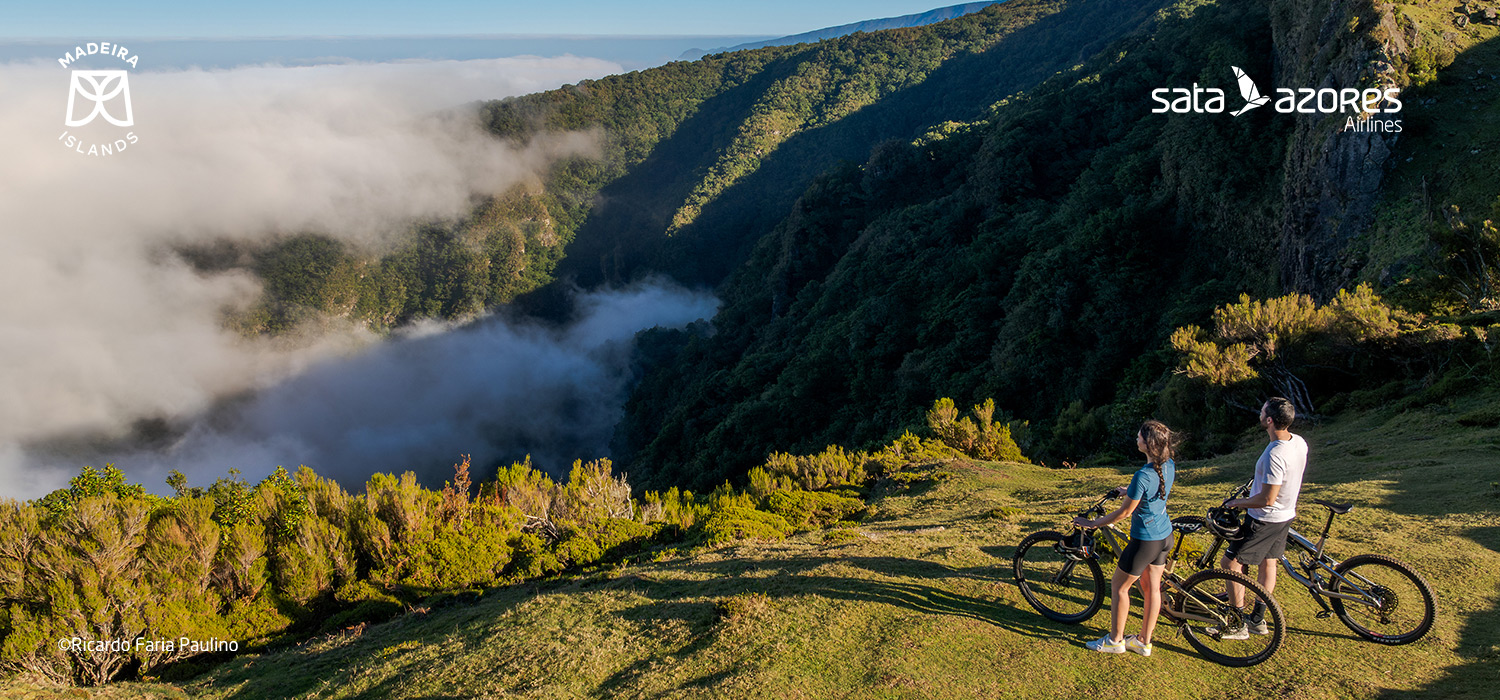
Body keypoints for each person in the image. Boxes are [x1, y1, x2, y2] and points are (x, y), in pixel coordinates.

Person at [1073, 420, 1177, 657]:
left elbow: (1124, 513)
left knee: (1120, 586)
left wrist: (1092, 523)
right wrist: (1129, 491)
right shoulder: (1168, 464)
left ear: (1148, 444)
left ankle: (1115, 640)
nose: (1136, 439)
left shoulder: (1142, 475)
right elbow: (1155, 492)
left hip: (1145, 541)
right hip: (1164, 535)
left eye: (1139, 436)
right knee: (1152, 591)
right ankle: (1143, 642)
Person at [1217, 396, 1308, 638]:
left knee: (1231, 564)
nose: (1259, 414)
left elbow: (1267, 498)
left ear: (1268, 420)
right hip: (1285, 514)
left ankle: (1237, 622)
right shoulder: (1298, 442)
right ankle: (1257, 618)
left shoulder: (1274, 454)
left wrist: (1238, 502)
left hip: (1264, 517)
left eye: (1261, 411)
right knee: (1269, 562)